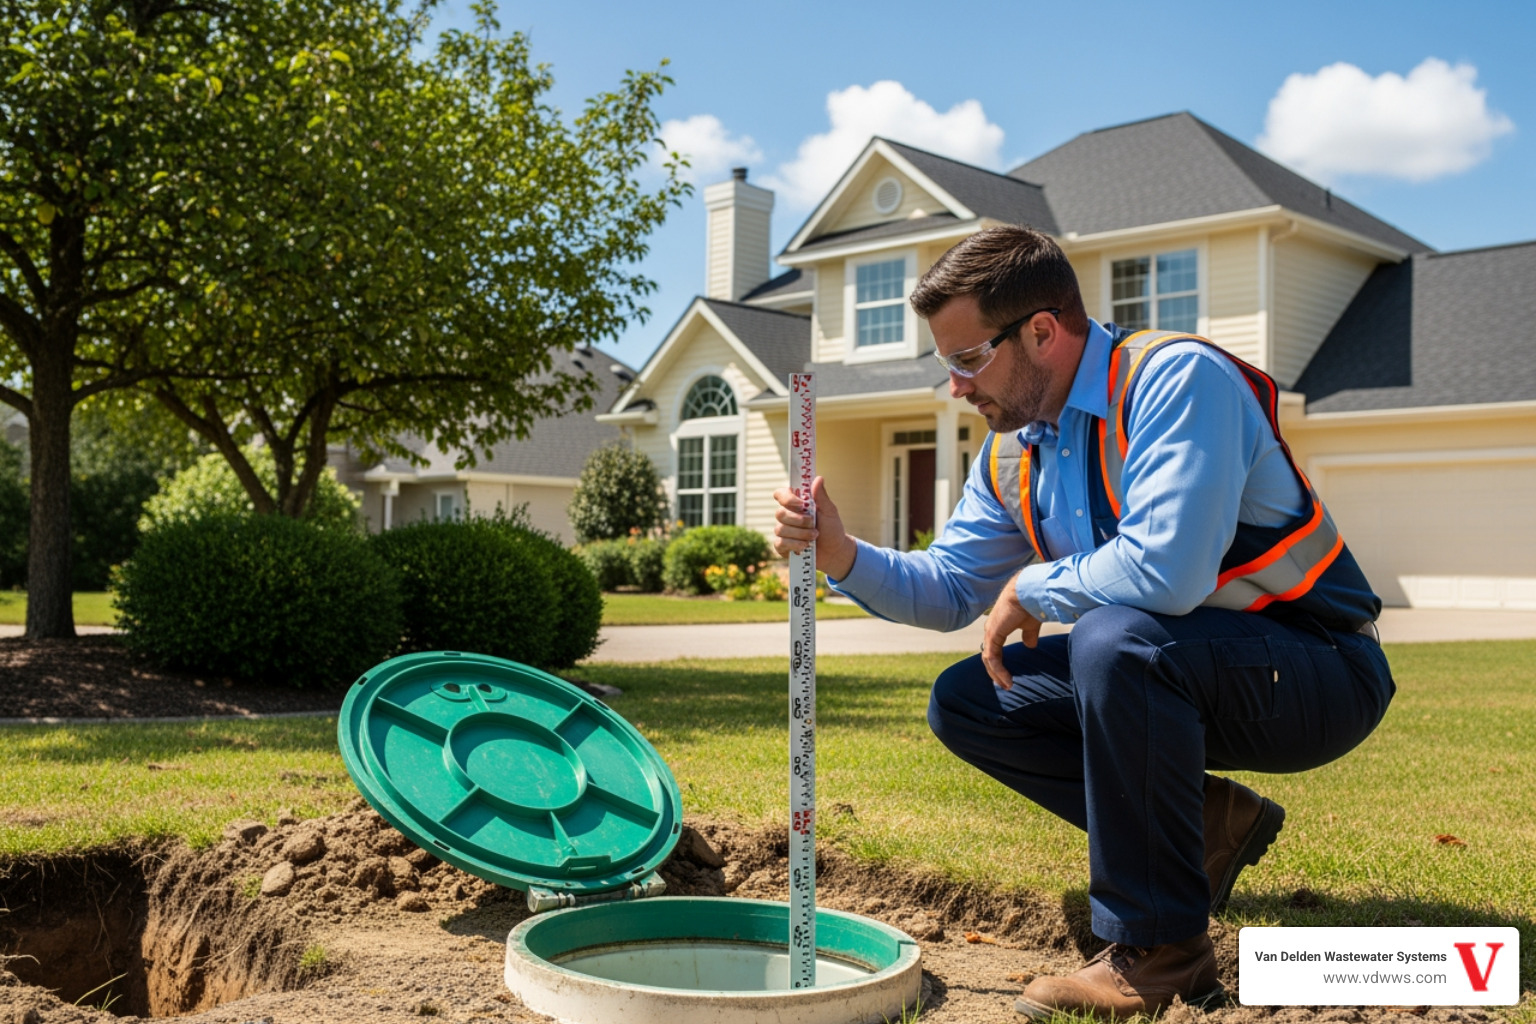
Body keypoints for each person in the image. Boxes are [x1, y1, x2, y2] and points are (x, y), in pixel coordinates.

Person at [772, 225, 1395, 1018]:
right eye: (948, 365)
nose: (958, 386)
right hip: (1180, 671)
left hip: (1318, 670)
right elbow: (950, 588)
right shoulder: (1014, 451)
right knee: (970, 697)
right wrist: (839, 551)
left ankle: (1165, 953)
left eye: (968, 360)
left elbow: (1167, 571)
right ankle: (1208, 827)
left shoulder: (1176, 381)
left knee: (1113, 638)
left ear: (1041, 331)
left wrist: (1037, 587)